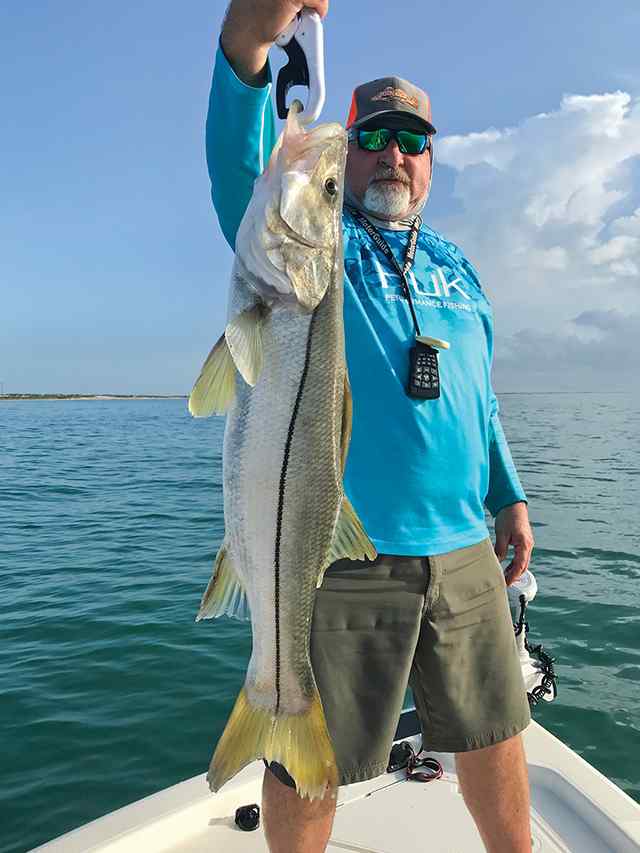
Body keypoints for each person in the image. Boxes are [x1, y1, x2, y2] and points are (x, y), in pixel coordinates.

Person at [206, 2, 535, 851]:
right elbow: (247, 172)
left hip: (464, 546)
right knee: (314, 765)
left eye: (413, 141)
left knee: (497, 734)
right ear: (349, 151)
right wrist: (248, 47)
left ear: (431, 159)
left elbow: (478, 394)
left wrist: (508, 494)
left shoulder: (457, 264)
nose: (395, 153)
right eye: (377, 136)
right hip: (344, 551)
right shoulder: (320, 243)